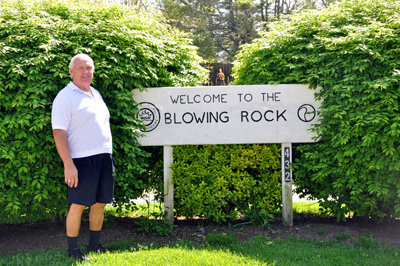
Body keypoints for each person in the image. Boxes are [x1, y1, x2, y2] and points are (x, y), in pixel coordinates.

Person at [51, 54, 115, 261]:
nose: (86, 72)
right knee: (78, 205)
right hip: (82, 160)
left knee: (100, 203)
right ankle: (73, 250)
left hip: (104, 156)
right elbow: (58, 133)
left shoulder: (95, 93)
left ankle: (95, 245)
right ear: (71, 71)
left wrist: (107, 155)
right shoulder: (65, 97)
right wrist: (68, 165)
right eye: (81, 68)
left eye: (89, 68)